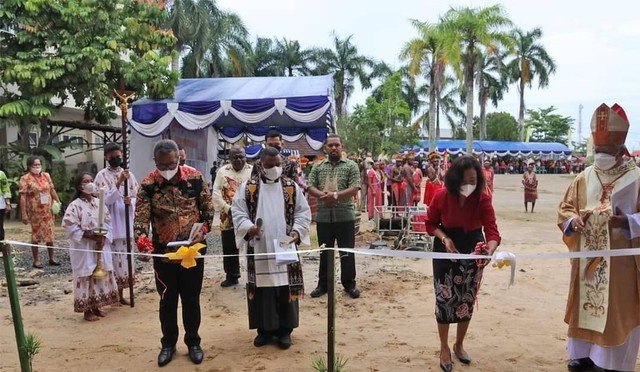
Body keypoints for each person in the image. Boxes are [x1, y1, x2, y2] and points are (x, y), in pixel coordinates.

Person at [558, 103, 640, 372]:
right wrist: (573, 221)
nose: (600, 154)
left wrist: (626, 222)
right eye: (597, 149)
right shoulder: (584, 177)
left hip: (621, 267)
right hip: (587, 262)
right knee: (585, 308)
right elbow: (566, 208)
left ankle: (611, 363)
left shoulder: (637, 178)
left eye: (605, 150)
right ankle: (581, 356)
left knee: (615, 312)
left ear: (620, 148)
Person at [134, 139, 215, 367]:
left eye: (171, 164)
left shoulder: (195, 177)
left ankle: (193, 342)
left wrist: (204, 230)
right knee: (167, 299)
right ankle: (168, 344)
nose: (167, 170)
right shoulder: (148, 184)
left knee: (191, 297)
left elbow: (208, 210)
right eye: (162, 165)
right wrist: (142, 243)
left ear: (179, 158)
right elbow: (140, 218)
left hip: (192, 249)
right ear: (155, 162)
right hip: (164, 253)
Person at [425, 155, 500, 372]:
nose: (470, 185)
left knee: (466, 300)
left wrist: (490, 248)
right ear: (455, 179)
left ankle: (459, 345)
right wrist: (444, 238)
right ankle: (444, 347)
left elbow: (492, 231)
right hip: (445, 251)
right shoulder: (441, 196)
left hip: (472, 252)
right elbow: (430, 223)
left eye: (474, 181)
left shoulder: (482, 199)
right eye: (465, 181)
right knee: (444, 299)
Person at [230, 147, 311, 349]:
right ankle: (264, 330)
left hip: (285, 242)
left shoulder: (291, 187)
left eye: (277, 165)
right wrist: (249, 228)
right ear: (261, 165)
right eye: (269, 165)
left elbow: (303, 212)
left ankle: (285, 331)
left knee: (284, 286)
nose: (274, 168)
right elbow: (238, 211)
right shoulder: (248, 188)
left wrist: (297, 232)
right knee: (262, 289)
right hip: (259, 244)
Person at [307, 134, 361, 299]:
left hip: (345, 217)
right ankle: (323, 285)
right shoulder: (317, 166)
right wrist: (325, 197)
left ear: (342, 146)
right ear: (325, 148)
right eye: (330, 146)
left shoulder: (351, 165)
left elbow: (355, 187)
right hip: (323, 218)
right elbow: (310, 186)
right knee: (324, 252)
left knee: (347, 252)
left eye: (336, 145)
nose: (334, 148)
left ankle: (349, 284)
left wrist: (336, 196)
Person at [62, 172, 119, 321]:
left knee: (99, 273)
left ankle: (96, 305)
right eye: (86, 181)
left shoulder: (98, 203)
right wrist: (90, 235)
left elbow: (107, 221)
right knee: (86, 275)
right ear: (79, 185)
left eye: (91, 180)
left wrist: (103, 236)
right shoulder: (75, 205)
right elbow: (69, 225)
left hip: (99, 244)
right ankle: (86, 309)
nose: (90, 183)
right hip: (84, 246)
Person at [94, 142, 139, 305]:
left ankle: (121, 294)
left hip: (125, 219)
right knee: (111, 261)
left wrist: (131, 201)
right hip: (111, 222)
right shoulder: (101, 176)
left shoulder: (129, 175)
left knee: (125, 262)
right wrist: (118, 182)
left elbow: (136, 195)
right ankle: (110, 293)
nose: (116, 159)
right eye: (112, 157)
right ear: (106, 157)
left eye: (118, 156)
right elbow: (103, 202)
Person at [212, 145, 252, 288]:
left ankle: (252, 276)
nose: (239, 159)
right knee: (229, 246)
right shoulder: (222, 172)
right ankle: (232, 275)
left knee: (251, 246)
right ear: (229, 158)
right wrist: (227, 209)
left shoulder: (253, 171)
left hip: (249, 216)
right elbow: (216, 193)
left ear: (245, 157)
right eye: (235, 157)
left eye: (241, 156)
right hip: (228, 215)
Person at [19, 156, 61, 268]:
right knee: (36, 236)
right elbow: (22, 197)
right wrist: (24, 214)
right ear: (29, 166)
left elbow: (52, 190)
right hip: (35, 211)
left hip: (48, 210)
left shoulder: (46, 176)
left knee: (50, 234)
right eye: (35, 165)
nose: (37, 167)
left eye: (39, 164)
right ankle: (36, 259)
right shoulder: (25, 178)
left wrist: (57, 203)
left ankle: (52, 257)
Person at [0, 166, 12, 245]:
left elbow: (6, 189)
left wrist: (7, 203)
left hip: (0, 205)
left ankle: (1, 249)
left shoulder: (1, 174)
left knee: (0, 227)